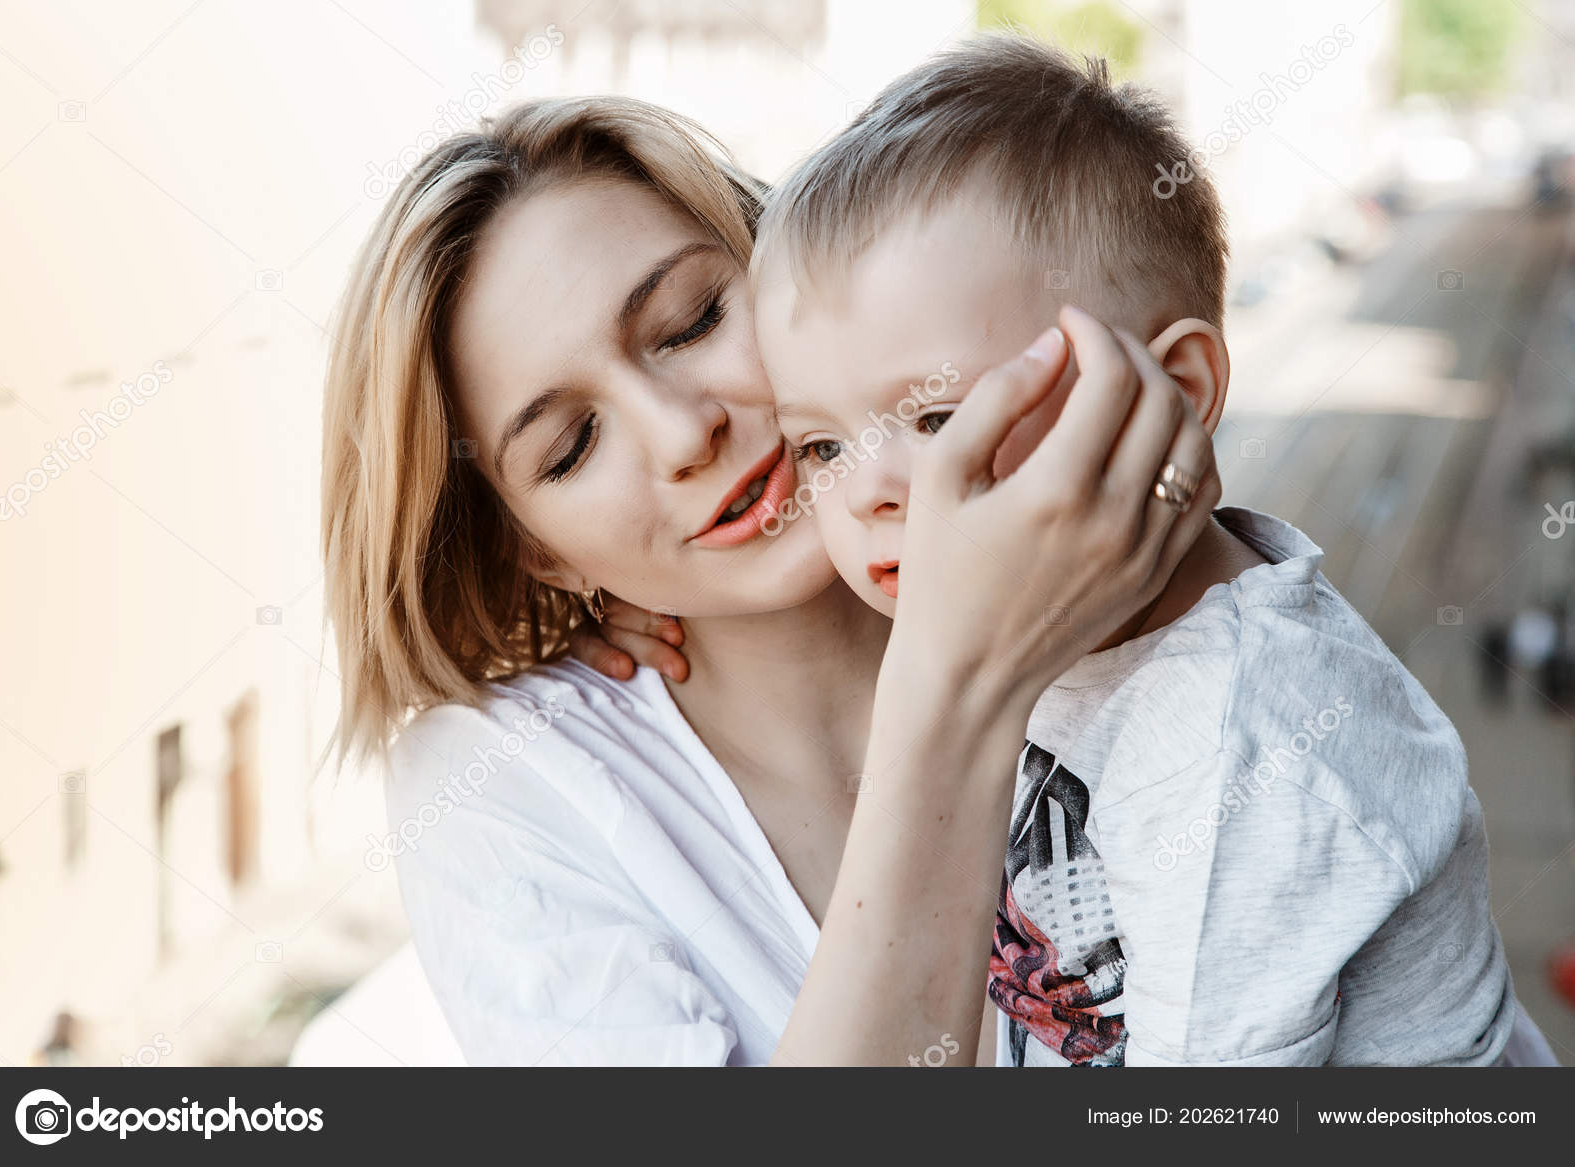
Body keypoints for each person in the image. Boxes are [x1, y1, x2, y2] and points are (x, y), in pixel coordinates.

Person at [322, 89, 1216, 1065]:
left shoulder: (1091, 569)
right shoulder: (501, 789)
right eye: (572, 448)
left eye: (693, 318)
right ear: (539, 549)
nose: (682, 430)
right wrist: (956, 690)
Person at [745, 34, 1554, 1066]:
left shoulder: (1242, 740)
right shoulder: (1043, 649)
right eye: (821, 444)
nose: (867, 491)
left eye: (943, 419)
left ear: (1173, 391)